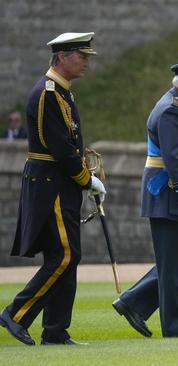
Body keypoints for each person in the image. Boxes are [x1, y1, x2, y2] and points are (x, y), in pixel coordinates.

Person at [0, 32, 105, 346]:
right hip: (51, 183)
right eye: (81, 56)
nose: (86, 62)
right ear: (62, 57)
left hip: (61, 183)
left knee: (67, 256)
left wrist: (83, 178)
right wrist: (87, 179)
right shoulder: (48, 92)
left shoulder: (63, 92)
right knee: (64, 255)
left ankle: (56, 330)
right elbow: (58, 147)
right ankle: (16, 314)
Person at [111, 57, 178, 338]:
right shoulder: (171, 110)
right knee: (176, 261)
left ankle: (133, 302)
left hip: (172, 194)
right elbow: (172, 160)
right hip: (168, 196)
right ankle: (176, 326)